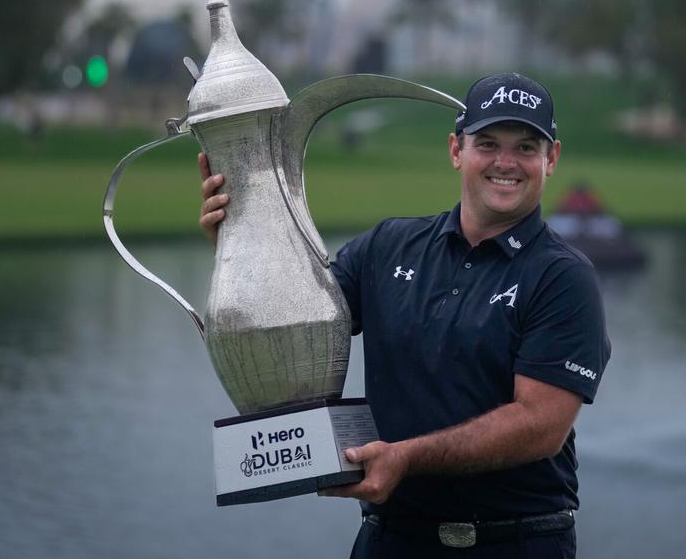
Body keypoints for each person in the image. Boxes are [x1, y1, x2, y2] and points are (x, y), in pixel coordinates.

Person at [200, 72, 611, 558]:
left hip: (515, 541)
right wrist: (242, 242)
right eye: (488, 143)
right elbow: (300, 322)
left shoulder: (563, 277)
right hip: (392, 538)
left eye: (525, 146)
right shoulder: (388, 245)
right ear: (456, 150)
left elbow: (541, 425)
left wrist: (405, 458)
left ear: (552, 159)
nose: (506, 162)